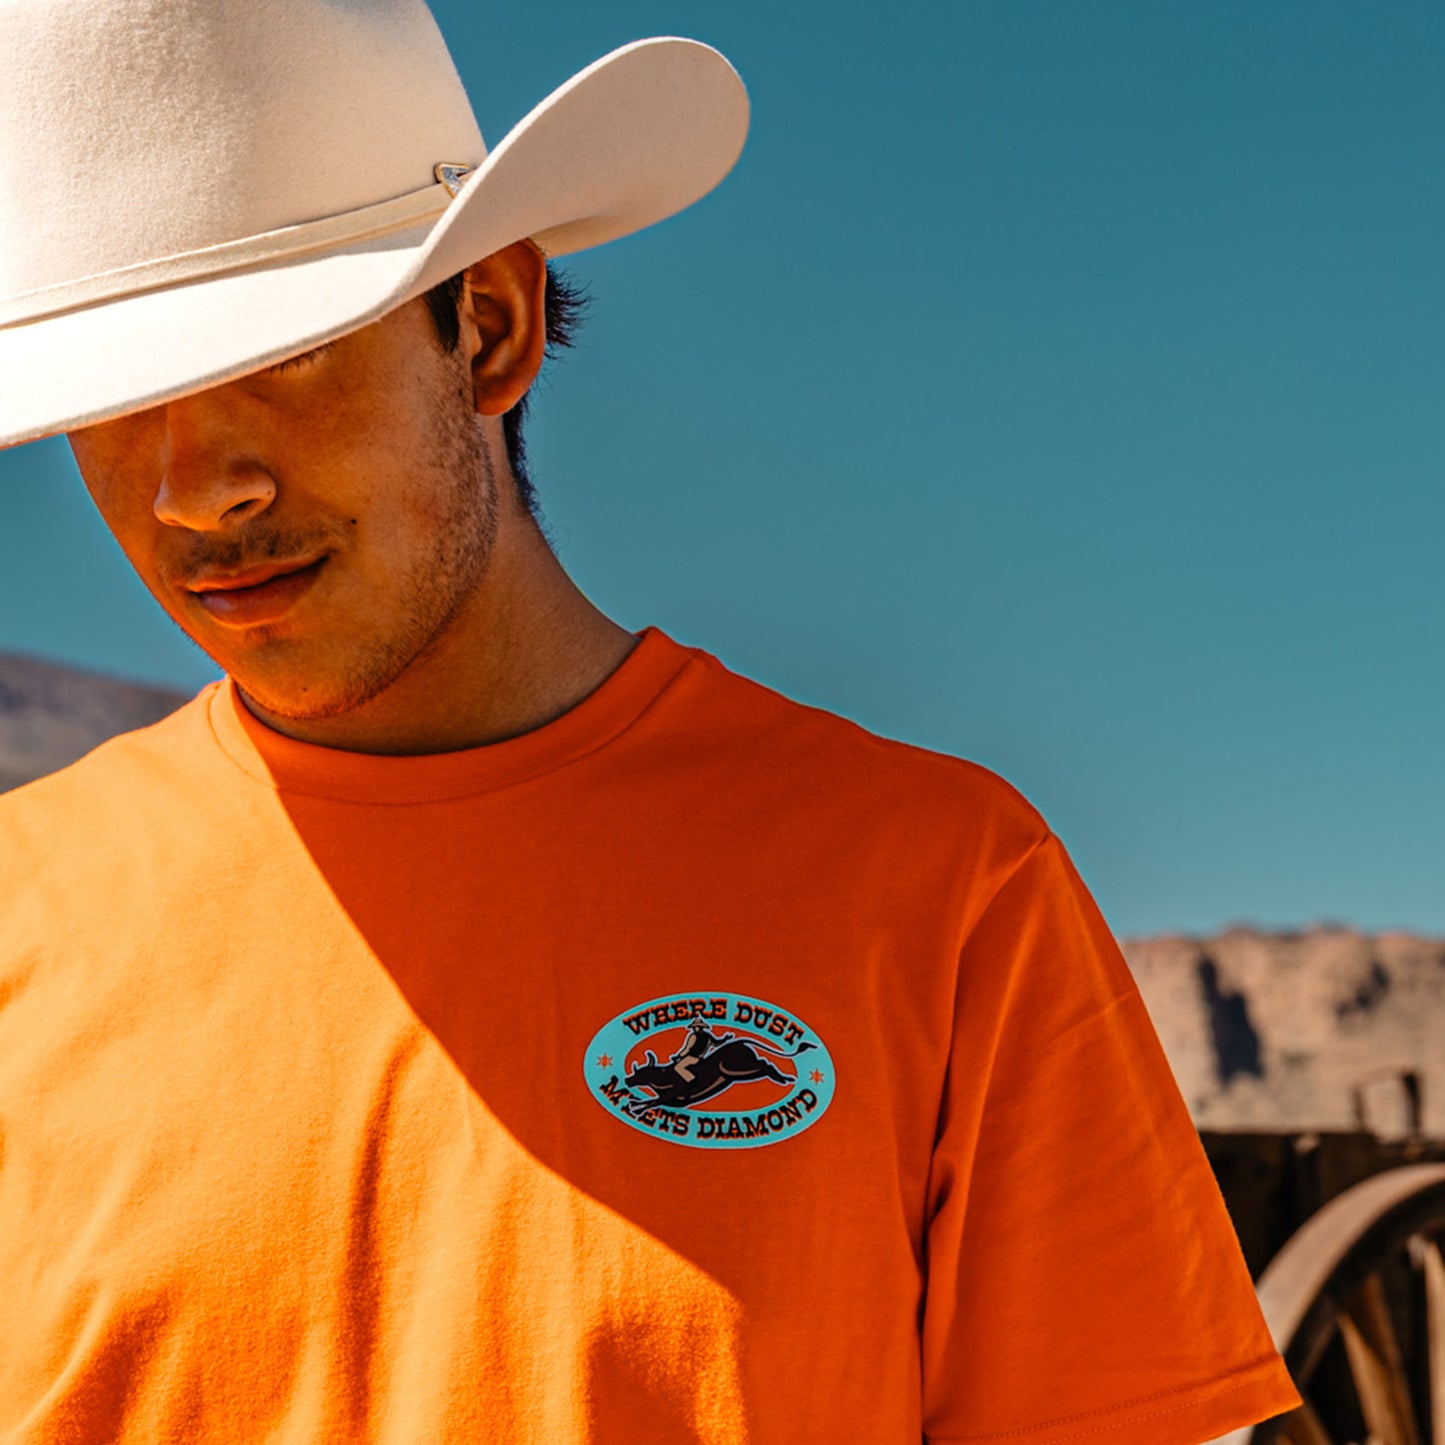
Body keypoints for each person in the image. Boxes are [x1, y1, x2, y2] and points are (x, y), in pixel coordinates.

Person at [0, 2, 1303, 1441]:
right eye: (114, 406)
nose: (192, 489)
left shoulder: (936, 890)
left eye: (282, 359)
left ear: (487, 327)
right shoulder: (21, 910)